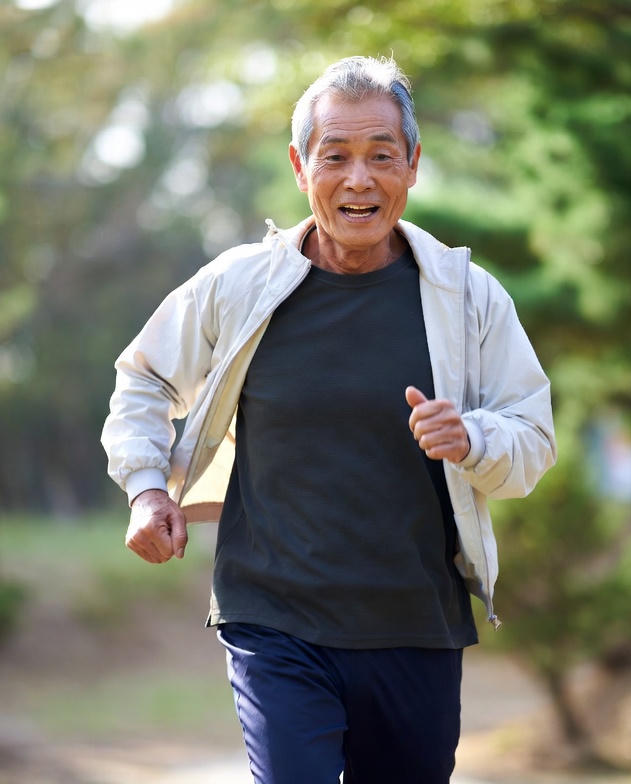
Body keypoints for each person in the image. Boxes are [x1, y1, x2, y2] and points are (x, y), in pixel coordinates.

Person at [102, 55, 556, 784]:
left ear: (412, 164)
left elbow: (532, 438)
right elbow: (143, 380)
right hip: (274, 620)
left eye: (381, 156)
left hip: (416, 625)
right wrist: (148, 487)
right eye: (334, 156)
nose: (358, 180)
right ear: (298, 165)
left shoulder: (468, 297)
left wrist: (473, 438)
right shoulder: (238, 285)